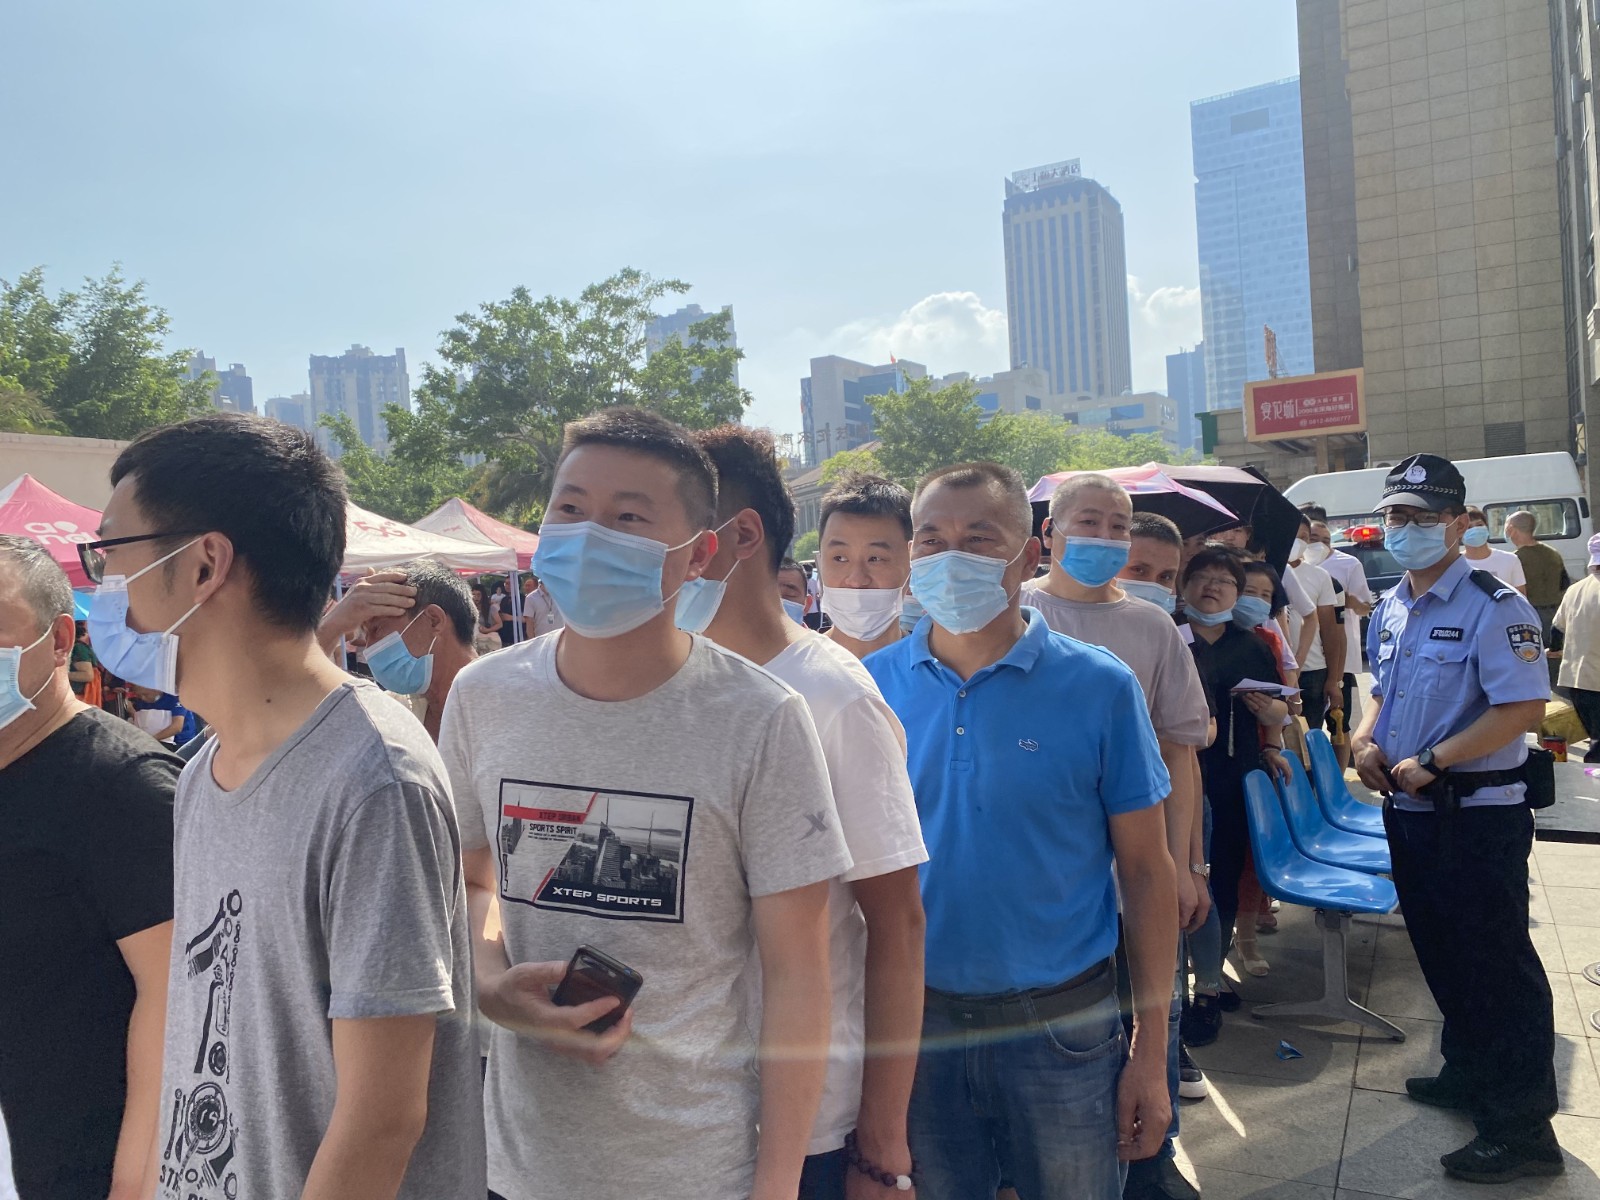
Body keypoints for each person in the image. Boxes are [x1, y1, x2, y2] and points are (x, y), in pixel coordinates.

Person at [439, 408, 851, 1200]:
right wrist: (491, 983)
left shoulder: (761, 720)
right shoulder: (483, 696)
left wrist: (777, 1184)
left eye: (628, 518)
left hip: (700, 1169)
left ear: (698, 554)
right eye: (570, 508)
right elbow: (472, 879)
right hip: (519, 1168)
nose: (589, 536)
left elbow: (799, 976)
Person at [86, 413, 485, 1199]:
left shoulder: (375, 780)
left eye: (112, 553)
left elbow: (381, 1120)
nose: (105, 587)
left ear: (205, 564)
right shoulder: (201, 775)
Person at [865, 461, 1177, 1200]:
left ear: (1029, 553)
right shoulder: (871, 689)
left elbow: (1145, 871)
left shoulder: (1099, 686)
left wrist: (1151, 1051)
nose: (951, 558)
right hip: (917, 1030)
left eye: (979, 539)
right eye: (931, 540)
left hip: (1066, 1030)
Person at [687, 427, 928, 1200]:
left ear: (740, 536)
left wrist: (882, 1144)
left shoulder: (833, 696)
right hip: (680, 1114)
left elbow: (897, 925)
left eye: (654, 525)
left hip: (804, 1126)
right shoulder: (669, 680)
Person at [1351, 454, 1562, 1184]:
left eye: (1421, 516)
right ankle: (1468, 1070)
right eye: (1394, 515)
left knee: (1496, 969)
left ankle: (1522, 1131)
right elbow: (1382, 689)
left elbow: (1522, 707)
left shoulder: (1494, 605)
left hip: (1476, 816)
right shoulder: (1392, 605)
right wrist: (1364, 739)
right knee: (1441, 953)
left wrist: (1436, 759)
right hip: (1410, 810)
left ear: (1459, 522)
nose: (1403, 528)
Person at [1022, 477, 1209, 1200]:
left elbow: (1180, 752)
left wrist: (1187, 862)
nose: (1104, 537)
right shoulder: (1016, 611)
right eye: (1088, 522)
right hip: (1052, 878)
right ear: (1049, 534)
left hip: (1141, 867)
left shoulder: (1152, 627)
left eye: (1117, 526)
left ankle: (1154, 1163)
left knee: (1154, 1011)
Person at [0, 535, 177, 1200]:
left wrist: (135, 1183)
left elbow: (179, 998)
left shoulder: (123, 788)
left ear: (58, 641)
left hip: (93, 1172)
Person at [1177, 547, 1290, 1049]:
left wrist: (1270, 720)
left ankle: (1209, 983)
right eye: (1202, 577)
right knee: (1175, 882)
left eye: (1224, 581)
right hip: (1177, 780)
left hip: (1234, 777)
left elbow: (1280, 712)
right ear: (1183, 586)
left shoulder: (1253, 645)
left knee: (1220, 880)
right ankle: (1173, 986)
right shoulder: (1168, 634)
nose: (1212, 587)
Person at [318, 561, 481, 742]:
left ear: (434, 620)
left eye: (377, 628)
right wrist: (330, 626)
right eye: (366, 634)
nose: (369, 647)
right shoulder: (395, 711)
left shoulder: (500, 699)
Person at [1302, 509, 1374, 767]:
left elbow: (1365, 607)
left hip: (1341, 660)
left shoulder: (1347, 564)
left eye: (1326, 540)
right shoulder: (1290, 569)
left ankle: (1338, 781)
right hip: (1307, 661)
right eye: (1313, 539)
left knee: (1339, 724)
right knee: (1306, 727)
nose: (1319, 545)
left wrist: (1348, 601)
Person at [816, 472, 914, 660]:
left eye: (875, 558)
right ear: (821, 562)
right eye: (840, 558)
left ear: (912, 561)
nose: (856, 580)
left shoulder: (938, 672)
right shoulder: (788, 672)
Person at [1286, 515, 1345, 731]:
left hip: (1312, 673)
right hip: (1276, 672)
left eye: (1304, 537)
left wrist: (1333, 680)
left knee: (1310, 736)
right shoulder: (1266, 571)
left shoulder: (1319, 576)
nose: (1298, 542)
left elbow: (1330, 631)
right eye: (1293, 536)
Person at [1553, 533, 1600, 760]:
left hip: (1577, 680)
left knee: (1596, 736)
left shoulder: (1576, 589)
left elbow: (1556, 629)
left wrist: (1554, 650)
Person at [1460, 507, 1527, 594]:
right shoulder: (1455, 565)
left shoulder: (1510, 560)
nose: (1475, 529)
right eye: (1469, 527)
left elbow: (1521, 597)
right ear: (1459, 533)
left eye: (1479, 525)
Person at [520, 572, 563, 638]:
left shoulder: (560, 595)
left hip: (559, 638)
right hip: (541, 639)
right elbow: (529, 624)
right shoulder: (531, 598)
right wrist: (533, 642)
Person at [470, 582, 503, 654]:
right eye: (473, 595)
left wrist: (487, 630)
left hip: (489, 642)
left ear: (483, 595)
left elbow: (499, 624)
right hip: (475, 642)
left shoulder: (491, 608)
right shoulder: (470, 609)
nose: (476, 597)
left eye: (478, 595)